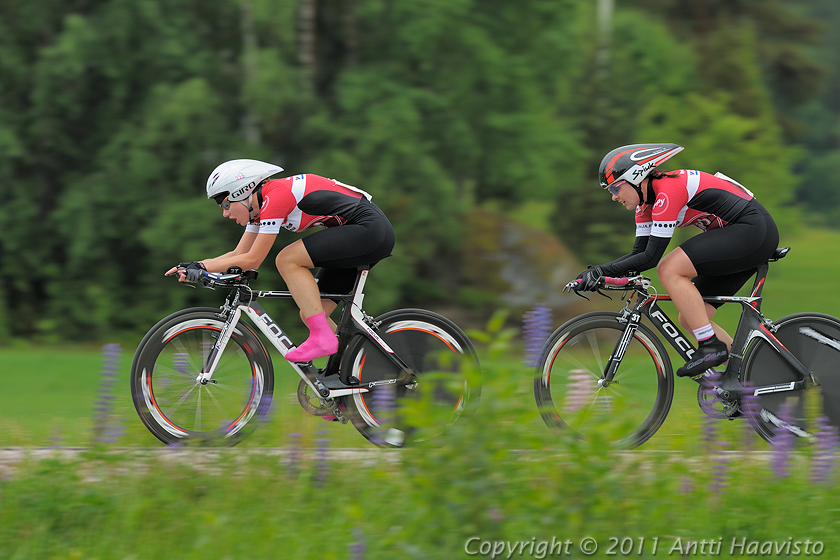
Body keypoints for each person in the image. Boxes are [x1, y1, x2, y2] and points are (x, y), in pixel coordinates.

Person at [574, 143, 779, 378]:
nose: (613, 196)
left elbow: (651, 258)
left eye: (616, 188)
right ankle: (747, 378)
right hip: (742, 238)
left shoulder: (668, 190)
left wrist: (600, 271)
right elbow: (638, 256)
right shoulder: (644, 206)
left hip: (753, 231)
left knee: (669, 269)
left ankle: (711, 347)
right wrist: (604, 275)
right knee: (691, 317)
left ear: (636, 177)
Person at [166, 159, 395, 363]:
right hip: (361, 235)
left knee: (287, 259)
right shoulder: (260, 207)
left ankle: (324, 340)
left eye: (225, 205)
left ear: (241, 193)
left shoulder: (276, 195)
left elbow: (252, 260)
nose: (225, 213)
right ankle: (351, 377)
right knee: (312, 313)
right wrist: (197, 265)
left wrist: (204, 267)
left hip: (370, 231)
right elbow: (239, 254)